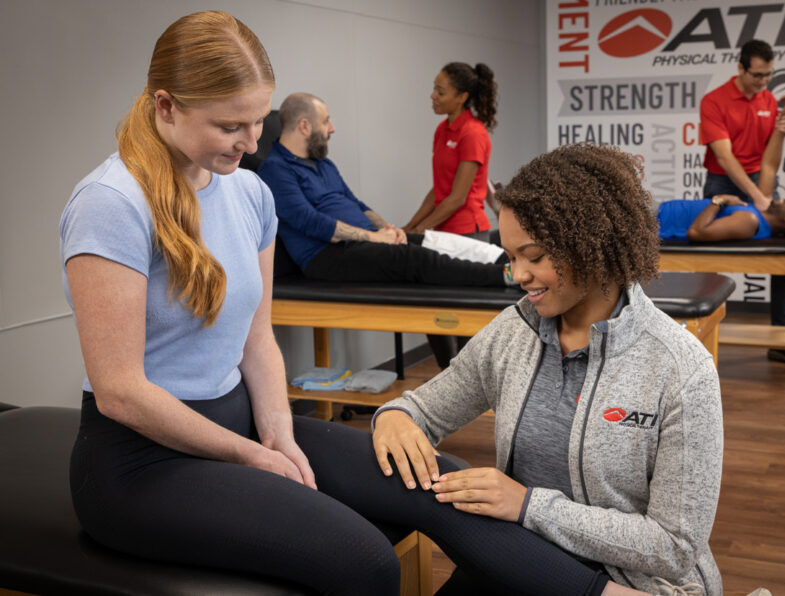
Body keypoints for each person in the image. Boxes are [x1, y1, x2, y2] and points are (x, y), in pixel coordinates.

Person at [59, 12, 405, 594]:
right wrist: (250, 456)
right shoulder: (110, 202)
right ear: (166, 105)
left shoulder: (250, 190)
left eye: (257, 121)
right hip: (138, 466)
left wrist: (278, 434)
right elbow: (120, 391)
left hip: (241, 421)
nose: (252, 143)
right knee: (367, 562)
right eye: (229, 127)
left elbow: (256, 337)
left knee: (432, 490)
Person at [371, 143, 724, 595]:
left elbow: (674, 547)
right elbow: (423, 407)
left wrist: (529, 506)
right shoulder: (513, 333)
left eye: (534, 256)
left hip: (632, 583)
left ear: (591, 244)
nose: (518, 274)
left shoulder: (679, 368)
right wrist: (395, 417)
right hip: (520, 558)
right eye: (511, 257)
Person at [700, 38, 785, 362]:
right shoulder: (714, 100)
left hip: (760, 180)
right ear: (740, 67)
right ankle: (702, 337)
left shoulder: (769, 102)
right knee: (710, 258)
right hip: (723, 180)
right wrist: (755, 197)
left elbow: (768, 162)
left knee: (780, 257)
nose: (763, 82)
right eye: (757, 75)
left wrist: (763, 195)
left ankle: (780, 340)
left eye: (768, 75)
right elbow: (724, 157)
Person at [403, 62, 497, 239]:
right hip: (442, 230)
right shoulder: (442, 130)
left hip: (468, 232)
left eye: (441, 92)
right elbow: (439, 190)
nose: (433, 96)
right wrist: (409, 226)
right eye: (434, 89)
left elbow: (457, 198)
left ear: (462, 97)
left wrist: (419, 230)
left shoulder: (472, 133)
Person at [658, 194, 785, 241]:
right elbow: (769, 165)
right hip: (660, 210)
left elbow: (696, 232)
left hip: (657, 221)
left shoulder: (749, 221)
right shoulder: (760, 211)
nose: (783, 200)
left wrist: (720, 200)